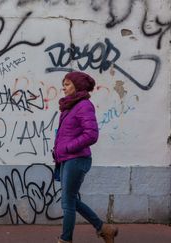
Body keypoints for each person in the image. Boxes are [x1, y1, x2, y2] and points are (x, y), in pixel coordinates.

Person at [53, 71, 118, 243]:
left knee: (67, 203)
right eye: (64, 84)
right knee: (71, 200)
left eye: (67, 84)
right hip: (67, 159)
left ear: (77, 85)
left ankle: (65, 240)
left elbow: (91, 134)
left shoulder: (84, 105)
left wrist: (68, 147)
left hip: (76, 159)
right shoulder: (70, 106)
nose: (63, 87)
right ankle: (104, 229)